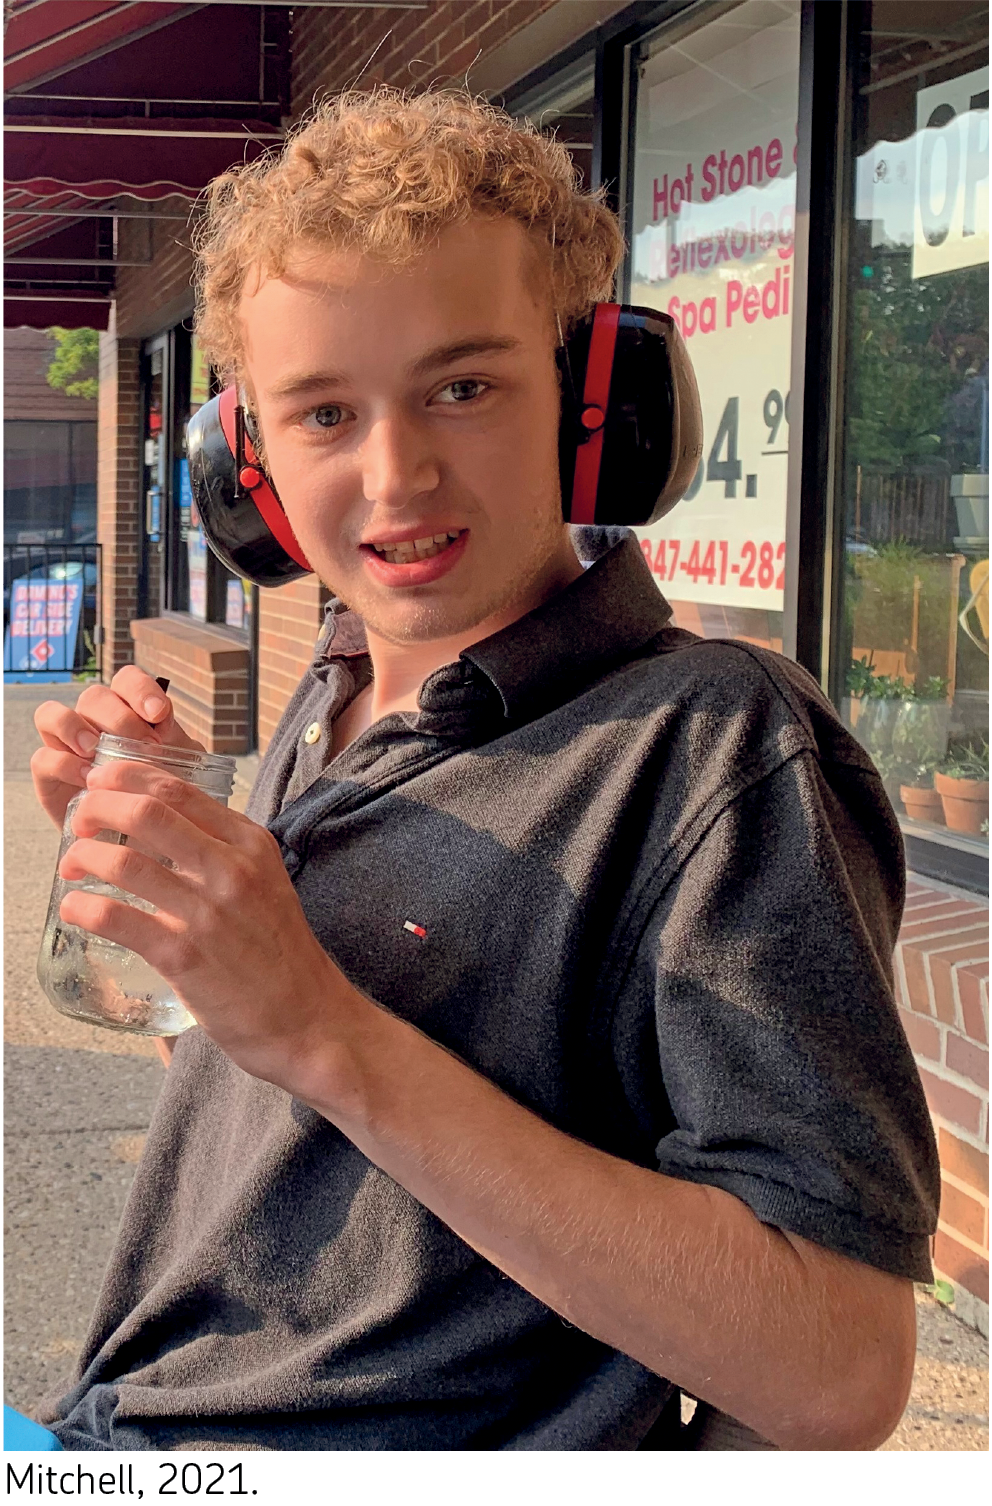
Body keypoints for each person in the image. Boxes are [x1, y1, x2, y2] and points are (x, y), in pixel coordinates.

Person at [31, 90, 938, 1452]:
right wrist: (189, 923)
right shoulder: (334, 676)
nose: (396, 477)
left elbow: (838, 1369)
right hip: (119, 1429)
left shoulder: (719, 749)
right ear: (251, 468)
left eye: (463, 385)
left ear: (595, 400)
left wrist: (326, 1031)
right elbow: (281, 1138)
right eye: (325, 412)